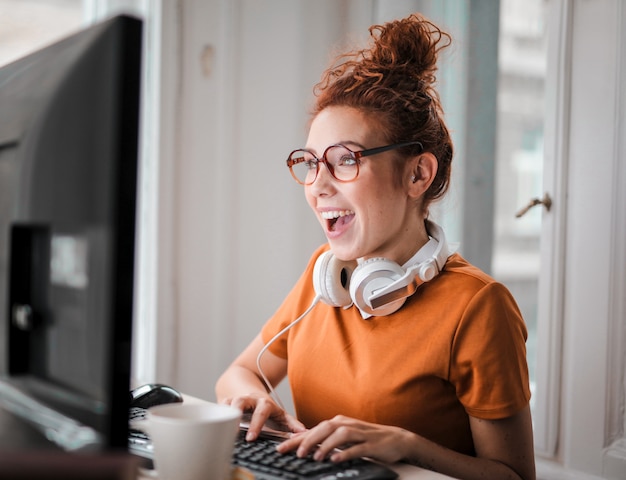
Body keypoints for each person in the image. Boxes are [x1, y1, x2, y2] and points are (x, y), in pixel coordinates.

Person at [216, 12, 535, 480]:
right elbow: (237, 374)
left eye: (346, 159)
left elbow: (515, 477)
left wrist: (406, 447)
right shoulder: (324, 277)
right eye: (310, 163)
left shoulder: (480, 307)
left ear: (417, 174)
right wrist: (255, 398)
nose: (318, 185)